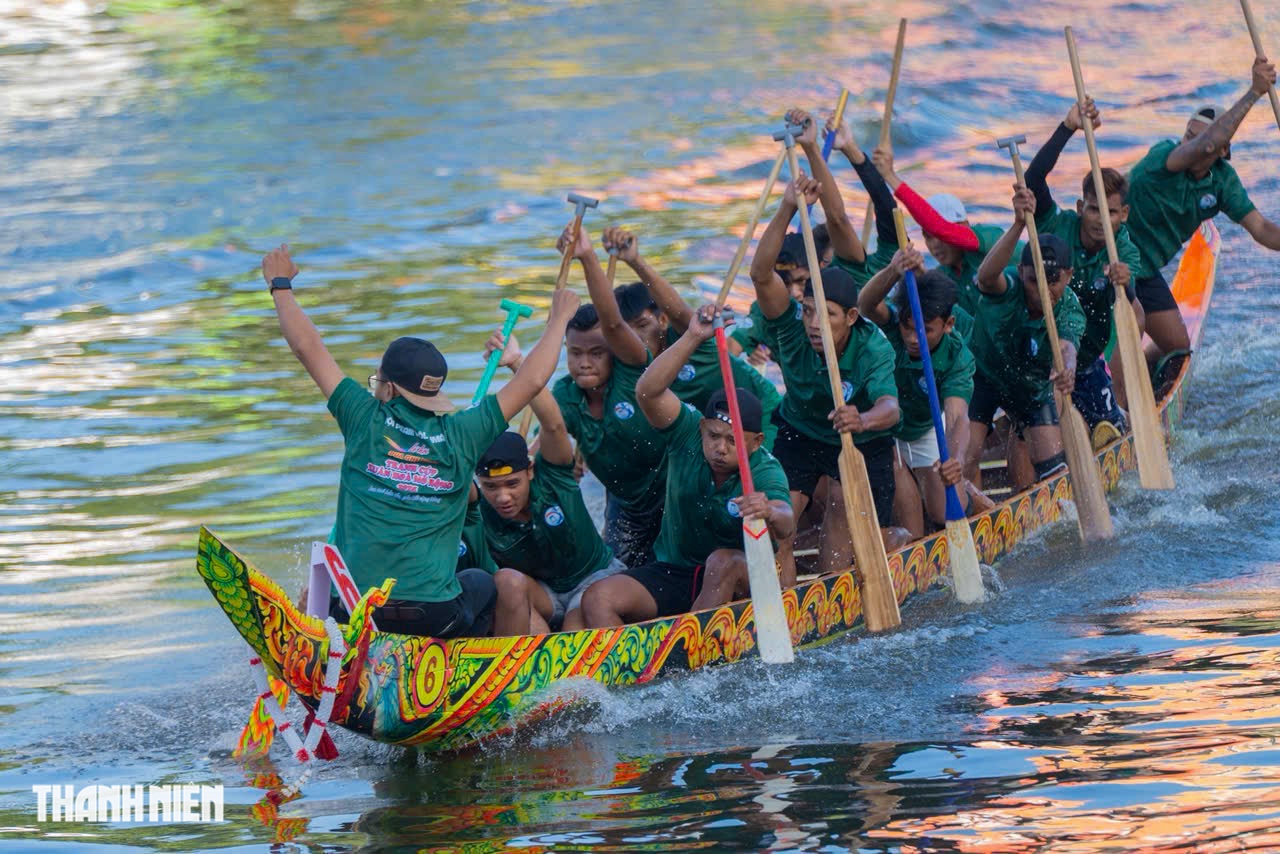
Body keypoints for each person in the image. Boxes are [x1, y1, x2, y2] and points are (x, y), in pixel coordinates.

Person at [262, 244, 579, 638]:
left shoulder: (362, 416)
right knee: (484, 582)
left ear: (389, 387)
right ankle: (482, 667)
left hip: (358, 609)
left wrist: (280, 286)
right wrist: (561, 318)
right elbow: (531, 380)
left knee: (324, 592)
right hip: (435, 615)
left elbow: (307, 347)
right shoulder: (463, 431)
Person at [580, 305, 794, 626]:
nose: (720, 448)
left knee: (721, 561)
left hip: (744, 576)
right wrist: (693, 337)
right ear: (702, 428)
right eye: (713, 436)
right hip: (676, 571)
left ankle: (687, 657)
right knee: (597, 598)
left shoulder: (765, 467)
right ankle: (624, 671)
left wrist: (769, 510)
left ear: (756, 441)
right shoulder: (687, 432)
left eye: (733, 440)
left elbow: (787, 523)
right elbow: (647, 392)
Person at [750, 172, 901, 579]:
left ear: (851, 317)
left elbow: (890, 408)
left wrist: (862, 418)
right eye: (809, 311)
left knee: (839, 502)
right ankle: (785, 604)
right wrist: (785, 206)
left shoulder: (872, 346)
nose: (814, 323)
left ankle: (831, 588)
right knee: (779, 519)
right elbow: (761, 274)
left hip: (861, 438)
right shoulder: (790, 325)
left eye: (828, 315)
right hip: (799, 430)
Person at [1126, 57, 1280, 359]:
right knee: (1126, 334)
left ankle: (1142, 375)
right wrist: (1254, 92)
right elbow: (1205, 146)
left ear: (1225, 151)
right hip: (1109, 256)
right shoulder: (1164, 157)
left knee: (1178, 347)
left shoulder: (1222, 180)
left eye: (1202, 137)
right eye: (1188, 136)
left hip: (1144, 270)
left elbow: (1261, 229)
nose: (1190, 144)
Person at [474, 331, 626, 634]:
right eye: (491, 488)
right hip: (543, 593)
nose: (503, 497)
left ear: (530, 470)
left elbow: (554, 424)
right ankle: (525, 665)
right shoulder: (475, 507)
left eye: (512, 484)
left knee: (575, 622)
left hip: (592, 581)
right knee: (505, 582)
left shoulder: (553, 475)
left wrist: (517, 363)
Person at [597, 226, 783, 448]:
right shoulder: (624, 364)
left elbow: (678, 310)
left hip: (762, 413)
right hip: (712, 431)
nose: (636, 337)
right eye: (628, 331)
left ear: (663, 321)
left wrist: (635, 261)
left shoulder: (691, 334)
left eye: (643, 325)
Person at [1025, 97, 1142, 438]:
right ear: (1080, 207)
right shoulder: (1057, 226)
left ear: (1124, 216)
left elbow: (1130, 290)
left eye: (1110, 213)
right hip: (1044, 363)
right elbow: (1033, 180)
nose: (1100, 220)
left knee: (1112, 431)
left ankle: (1122, 410)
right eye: (1093, 209)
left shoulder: (1124, 248)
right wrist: (1067, 128)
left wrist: (1123, 279)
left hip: (1088, 363)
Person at [553, 227, 671, 568]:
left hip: (673, 492)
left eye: (596, 353)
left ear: (614, 354)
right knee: (615, 573)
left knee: (672, 570)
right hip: (626, 502)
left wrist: (588, 256)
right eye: (575, 353)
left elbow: (615, 325)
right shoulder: (565, 393)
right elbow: (548, 433)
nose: (585, 363)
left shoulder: (634, 369)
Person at [858, 246, 981, 538]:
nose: (914, 339)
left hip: (926, 428)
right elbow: (865, 305)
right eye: (908, 328)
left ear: (948, 325)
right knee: (912, 528)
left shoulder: (957, 357)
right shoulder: (891, 325)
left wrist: (955, 459)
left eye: (926, 330)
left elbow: (957, 417)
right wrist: (893, 270)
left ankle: (972, 496)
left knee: (944, 513)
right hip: (884, 433)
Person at [969, 189, 1086, 489]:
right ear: (1021, 272)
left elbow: (1066, 345)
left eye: (1052, 282)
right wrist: (1018, 225)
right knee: (966, 457)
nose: (1041, 292)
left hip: (1033, 384)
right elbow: (984, 277)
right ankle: (973, 508)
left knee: (1052, 472)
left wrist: (1067, 367)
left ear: (1068, 275)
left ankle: (1032, 498)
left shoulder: (1069, 306)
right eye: (1033, 281)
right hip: (984, 376)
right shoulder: (1007, 286)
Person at [873, 147, 1009, 315]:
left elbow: (940, 227)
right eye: (928, 237)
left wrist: (890, 177)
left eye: (940, 237)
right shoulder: (941, 275)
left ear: (965, 225)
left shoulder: (989, 238)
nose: (934, 244)